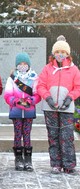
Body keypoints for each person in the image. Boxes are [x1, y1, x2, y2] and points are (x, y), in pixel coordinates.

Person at [37, 35, 80, 174]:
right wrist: (48, 98)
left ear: (67, 54)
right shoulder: (47, 69)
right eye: (57, 52)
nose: (60, 54)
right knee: (53, 136)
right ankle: (56, 163)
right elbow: (41, 85)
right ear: (53, 54)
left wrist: (69, 98)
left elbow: (78, 87)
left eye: (63, 52)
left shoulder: (74, 70)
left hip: (66, 109)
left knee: (67, 136)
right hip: (50, 108)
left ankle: (69, 164)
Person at [4, 52, 41, 171]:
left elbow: (38, 94)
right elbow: (7, 95)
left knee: (27, 134)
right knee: (17, 134)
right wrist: (15, 101)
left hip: (29, 111)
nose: (23, 65)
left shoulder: (34, 77)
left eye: (25, 63)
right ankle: (18, 158)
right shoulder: (12, 78)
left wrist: (31, 100)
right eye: (20, 63)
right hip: (16, 110)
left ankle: (28, 158)